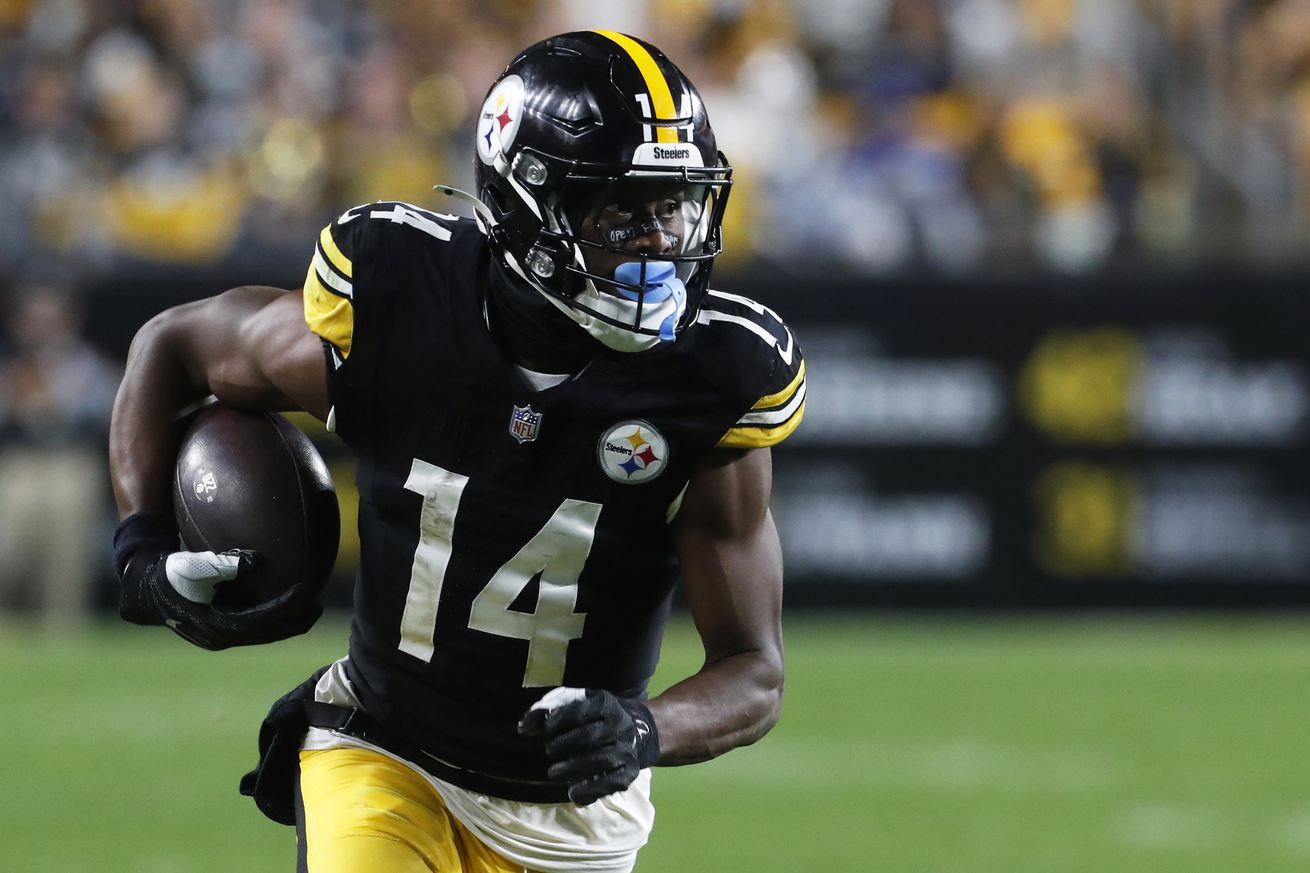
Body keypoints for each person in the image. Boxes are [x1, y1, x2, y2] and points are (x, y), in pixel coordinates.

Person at [108, 30, 806, 873]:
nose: (658, 243)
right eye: (619, 210)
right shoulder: (400, 300)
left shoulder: (714, 375)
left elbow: (753, 671)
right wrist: (142, 549)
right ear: (524, 203)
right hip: (384, 746)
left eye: (672, 206)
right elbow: (172, 345)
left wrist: (645, 728)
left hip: (569, 817)